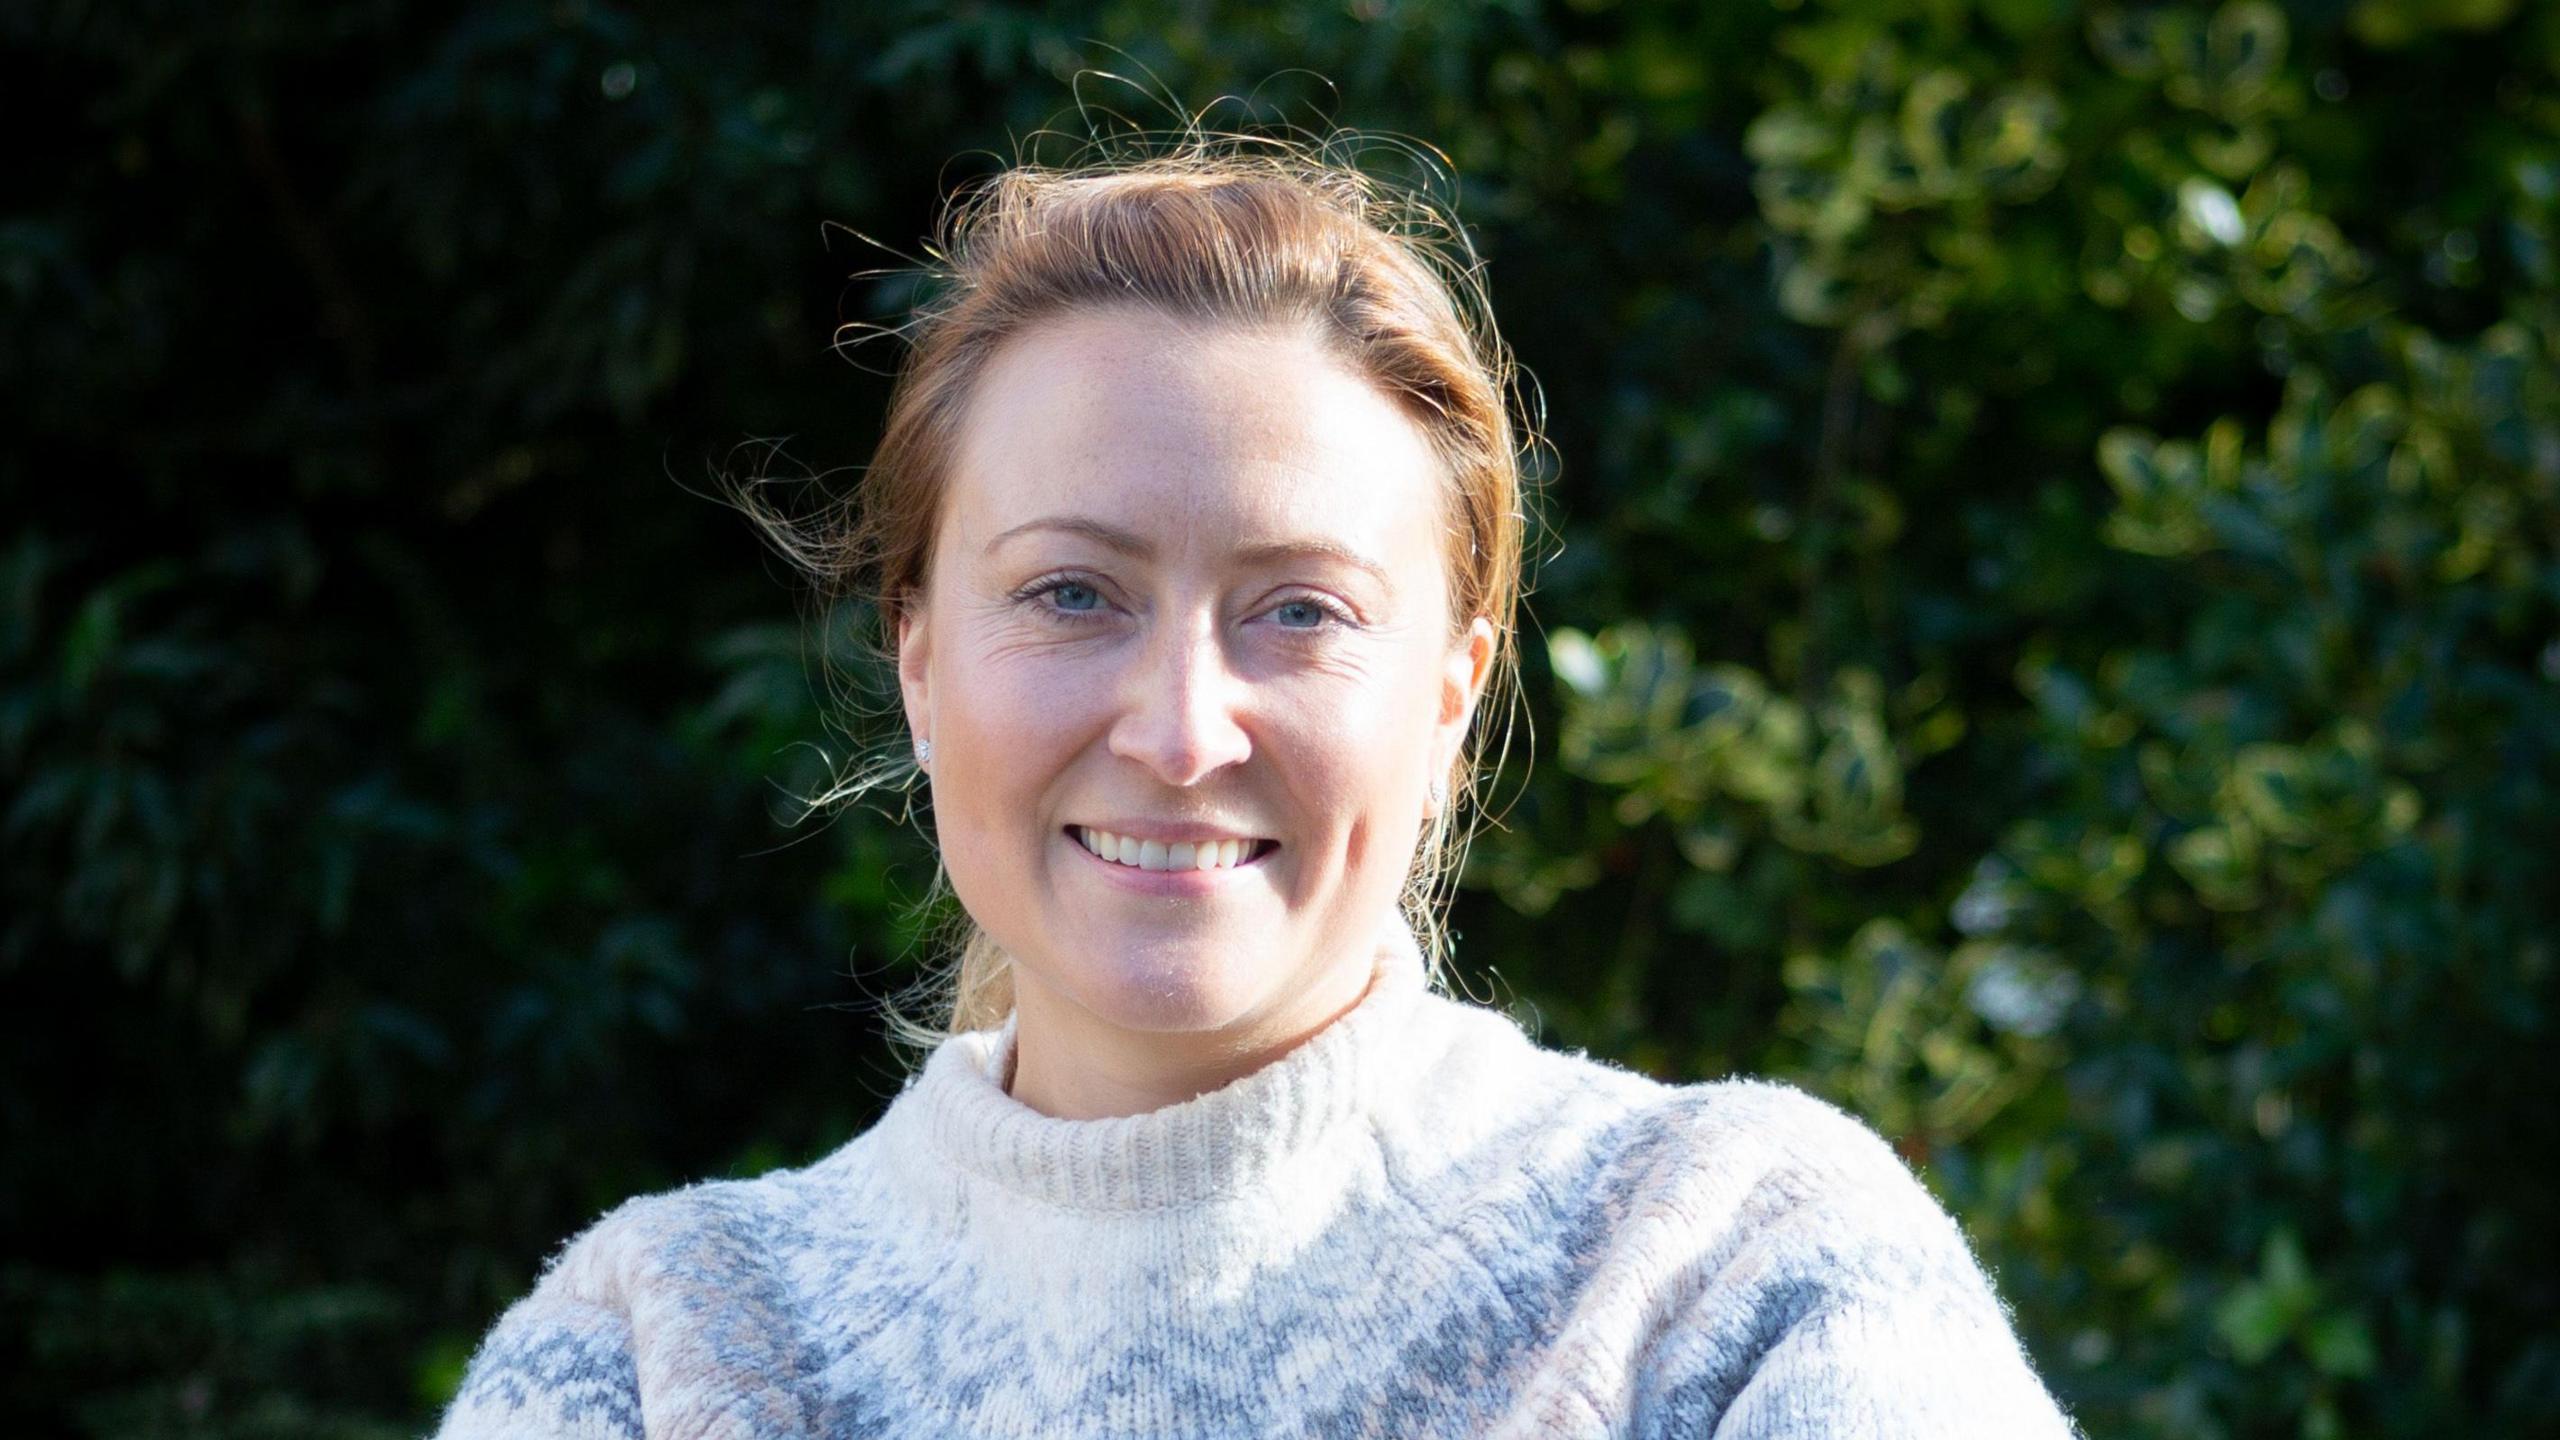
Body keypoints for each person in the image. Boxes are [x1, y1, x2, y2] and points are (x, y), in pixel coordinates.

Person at [430, 133, 2083, 1439]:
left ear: (1452, 700)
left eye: (1300, 611)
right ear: (920, 663)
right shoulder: (661, 1347)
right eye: (1072, 592)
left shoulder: (1731, 1268)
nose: (1179, 727)